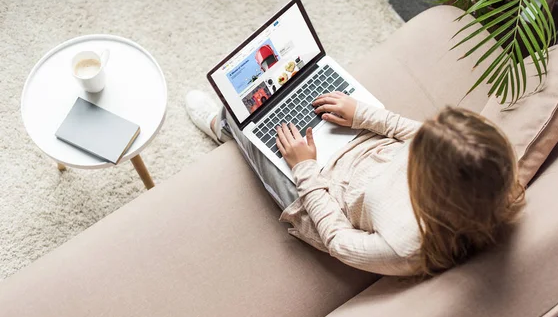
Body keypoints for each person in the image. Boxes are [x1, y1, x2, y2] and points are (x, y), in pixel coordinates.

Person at [185, 90, 525, 277]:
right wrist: (361, 113)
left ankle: (224, 128)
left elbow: (337, 239)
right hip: (364, 146)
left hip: (323, 195)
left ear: (427, 181)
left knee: (247, 117)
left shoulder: (402, 248)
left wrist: (305, 169)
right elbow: (423, 134)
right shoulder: (486, 169)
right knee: (309, 89)